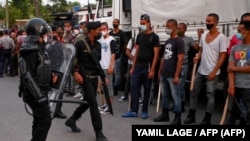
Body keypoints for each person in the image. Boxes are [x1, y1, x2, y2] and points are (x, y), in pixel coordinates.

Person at [64, 21, 108, 141]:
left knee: (88, 101)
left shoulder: (98, 45)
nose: (100, 31)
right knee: (93, 104)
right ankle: (99, 132)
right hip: (84, 78)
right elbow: (69, 59)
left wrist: (103, 78)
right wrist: (75, 73)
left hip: (94, 78)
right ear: (92, 30)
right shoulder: (80, 44)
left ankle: (72, 119)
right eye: (99, 29)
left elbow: (97, 63)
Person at [183, 13, 227, 125]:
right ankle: (191, 115)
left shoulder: (222, 38)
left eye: (209, 21)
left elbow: (223, 56)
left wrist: (213, 71)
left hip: (213, 72)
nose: (207, 23)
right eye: (206, 21)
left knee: (210, 95)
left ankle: (207, 119)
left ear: (216, 22)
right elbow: (201, 50)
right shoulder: (203, 36)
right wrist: (197, 58)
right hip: (200, 71)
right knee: (193, 92)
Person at [18, 17, 57, 141]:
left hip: (40, 91)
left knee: (39, 119)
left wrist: (51, 78)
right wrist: (39, 95)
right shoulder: (30, 50)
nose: (46, 36)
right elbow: (27, 75)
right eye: (44, 34)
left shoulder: (39, 48)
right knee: (45, 120)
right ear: (38, 33)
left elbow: (39, 69)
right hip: (34, 93)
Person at [122, 14, 160, 119]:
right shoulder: (140, 36)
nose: (142, 25)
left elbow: (156, 55)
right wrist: (133, 67)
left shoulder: (154, 37)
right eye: (141, 24)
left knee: (147, 90)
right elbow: (137, 52)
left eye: (143, 24)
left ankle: (144, 111)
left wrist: (152, 69)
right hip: (138, 65)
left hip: (147, 66)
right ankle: (133, 111)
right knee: (134, 88)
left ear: (149, 23)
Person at [153, 19, 184, 125]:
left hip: (172, 73)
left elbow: (180, 59)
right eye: (166, 26)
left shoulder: (179, 41)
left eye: (169, 26)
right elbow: (164, 57)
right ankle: (165, 114)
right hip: (164, 72)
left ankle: (177, 118)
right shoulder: (168, 41)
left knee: (176, 95)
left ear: (175, 27)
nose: (167, 29)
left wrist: (176, 75)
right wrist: (160, 70)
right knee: (165, 95)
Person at [225, 20, 250, 125]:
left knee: (246, 115)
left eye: (240, 30)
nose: (238, 33)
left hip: (248, 87)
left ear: (248, 31)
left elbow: (233, 68)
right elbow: (230, 67)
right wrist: (231, 85)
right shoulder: (235, 48)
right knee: (232, 113)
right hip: (236, 86)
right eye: (237, 30)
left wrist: (234, 69)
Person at [175, 22, 200, 112]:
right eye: (177, 28)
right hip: (174, 65)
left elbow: (197, 48)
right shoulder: (174, 38)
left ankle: (181, 104)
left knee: (181, 86)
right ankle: (176, 103)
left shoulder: (188, 39)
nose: (178, 30)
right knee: (174, 85)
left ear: (185, 30)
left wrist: (200, 37)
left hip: (183, 65)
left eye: (180, 28)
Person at [98, 22, 116, 114]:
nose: (103, 31)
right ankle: (105, 104)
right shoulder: (101, 40)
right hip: (101, 66)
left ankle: (109, 106)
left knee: (108, 87)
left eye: (104, 29)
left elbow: (113, 54)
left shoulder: (111, 40)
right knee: (103, 87)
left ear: (108, 28)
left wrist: (111, 66)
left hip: (108, 66)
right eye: (101, 29)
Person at [109, 18, 128, 96]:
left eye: (116, 22)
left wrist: (122, 50)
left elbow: (126, 42)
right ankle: (111, 87)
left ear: (119, 23)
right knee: (111, 73)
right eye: (113, 22)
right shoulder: (110, 33)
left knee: (117, 74)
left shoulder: (122, 33)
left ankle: (116, 88)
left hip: (118, 55)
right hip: (110, 56)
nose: (114, 23)